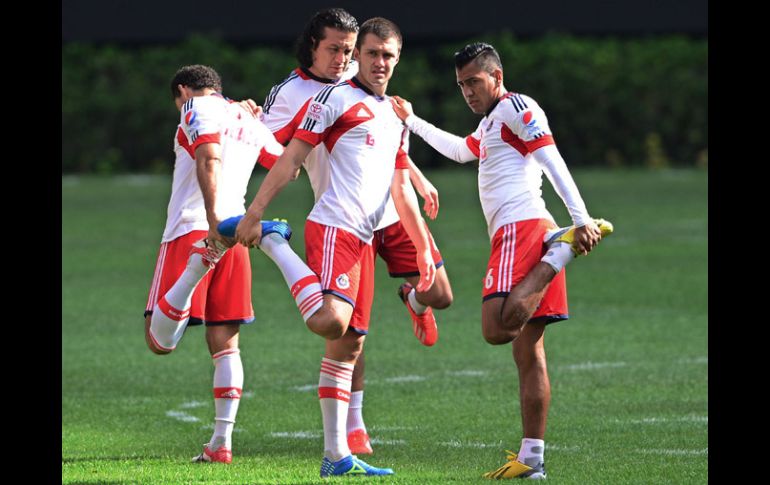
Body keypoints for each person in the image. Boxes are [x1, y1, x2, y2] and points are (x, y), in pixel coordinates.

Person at [390, 42, 613, 479]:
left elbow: (551, 158)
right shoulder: (492, 121)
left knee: (496, 328)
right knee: (528, 351)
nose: (468, 92)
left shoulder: (517, 107)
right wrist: (411, 121)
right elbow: (461, 150)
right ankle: (532, 461)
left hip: (521, 227)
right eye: (461, 85)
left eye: (474, 81)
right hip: (525, 230)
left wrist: (580, 220)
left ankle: (561, 251)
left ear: (497, 75)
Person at [234, 17, 432, 478]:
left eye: (383, 55)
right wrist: (256, 209)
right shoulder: (319, 97)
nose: (350, 60)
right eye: (344, 51)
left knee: (355, 339)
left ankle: (337, 454)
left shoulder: (379, 100)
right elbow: (283, 153)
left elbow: (394, 163)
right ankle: (275, 245)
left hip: (373, 224)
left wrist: (419, 204)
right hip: (336, 222)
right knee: (333, 323)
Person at [143, 64, 286, 464]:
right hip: (237, 232)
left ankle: (194, 269)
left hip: (196, 232)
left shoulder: (195, 108)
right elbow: (284, 164)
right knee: (226, 345)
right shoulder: (246, 118)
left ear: (184, 90)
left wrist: (210, 225)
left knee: (158, 342)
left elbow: (208, 158)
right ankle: (221, 443)